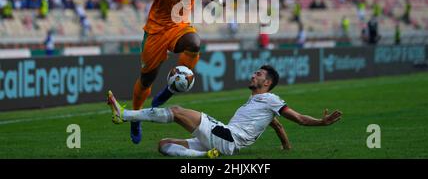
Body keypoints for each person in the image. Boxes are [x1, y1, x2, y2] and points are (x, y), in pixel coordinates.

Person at [107, 65, 342, 157]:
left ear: (268, 83)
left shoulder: (271, 99)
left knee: (177, 110)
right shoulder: (259, 106)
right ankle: (205, 157)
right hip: (224, 142)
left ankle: (124, 115)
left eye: (259, 74)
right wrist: (287, 147)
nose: (253, 75)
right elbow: (277, 125)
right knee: (164, 145)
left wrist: (322, 123)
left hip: (228, 137)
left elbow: (298, 118)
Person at [129, 0, 210, 144]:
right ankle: (135, 117)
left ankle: (170, 89)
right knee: (147, 79)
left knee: (194, 43)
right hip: (156, 31)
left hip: (179, 27)